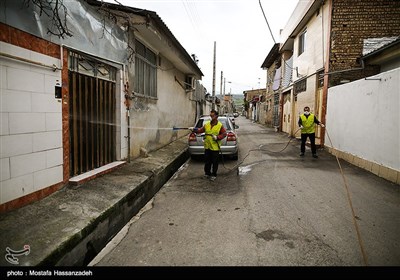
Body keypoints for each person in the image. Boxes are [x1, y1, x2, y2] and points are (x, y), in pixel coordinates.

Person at [190, 109, 227, 181]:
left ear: (216, 116)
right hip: (207, 147)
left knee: (215, 162)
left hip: (215, 148)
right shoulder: (207, 125)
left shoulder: (220, 125)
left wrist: (217, 137)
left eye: (212, 116)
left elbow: (224, 134)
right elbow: (200, 130)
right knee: (207, 161)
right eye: (210, 116)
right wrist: (193, 129)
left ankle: (214, 174)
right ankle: (207, 173)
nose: (211, 117)